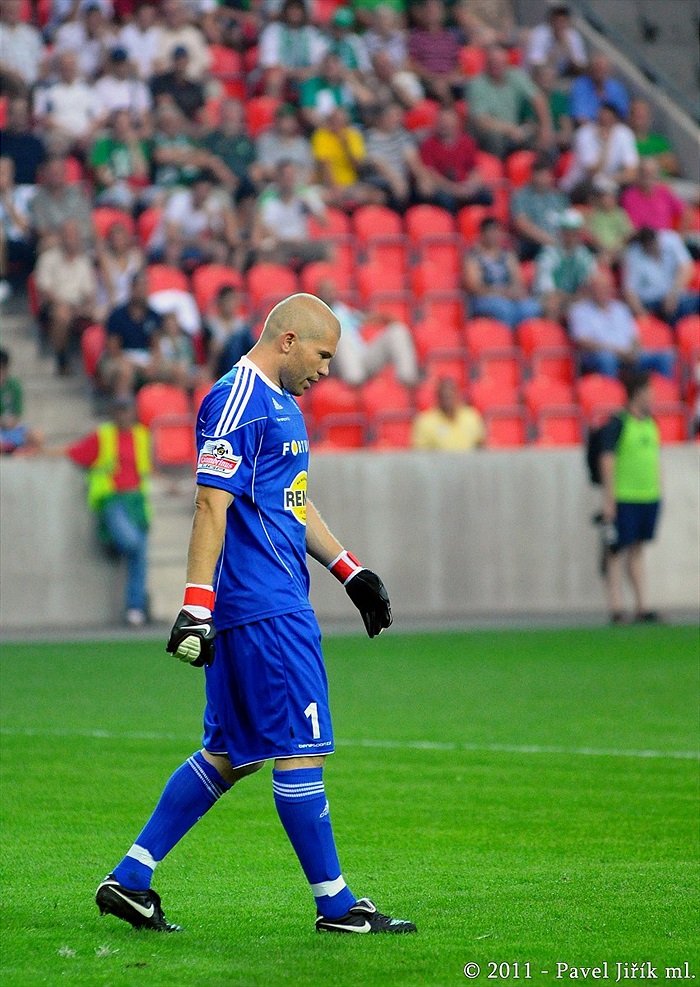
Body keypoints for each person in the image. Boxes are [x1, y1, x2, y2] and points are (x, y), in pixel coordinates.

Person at [94, 292, 416, 936]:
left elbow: (289, 500)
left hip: (259, 604)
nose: (326, 370)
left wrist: (349, 571)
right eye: (322, 354)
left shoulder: (282, 403)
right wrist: (195, 606)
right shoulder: (238, 398)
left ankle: (130, 879)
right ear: (288, 340)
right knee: (302, 749)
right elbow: (209, 504)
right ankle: (337, 906)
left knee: (230, 753)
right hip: (267, 608)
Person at [57, 395, 152, 627]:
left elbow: (146, 467)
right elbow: (76, 453)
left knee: (139, 554)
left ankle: (135, 607)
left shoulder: (141, 435)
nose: (123, 415)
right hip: (112, 497)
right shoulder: (104, 435)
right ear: (114, 413)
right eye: (119, 410)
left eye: (127, 410)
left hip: (137, 500)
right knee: (132, 543)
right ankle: (111, 542)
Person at [598, 369, 663, 624]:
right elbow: (607, 460)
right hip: (624, 497)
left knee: (637, 550)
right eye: (650, 391)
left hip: (648, 496)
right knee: (615, 550)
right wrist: (609, 499)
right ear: (638, 393)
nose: (654, 396)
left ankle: (641, 605)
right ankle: (616, 606)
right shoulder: (618, 423)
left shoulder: (650, 423)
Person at [569, 269, 675, 379]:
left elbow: (634, 337)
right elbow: (582, 341)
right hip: (599, 354)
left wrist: (634, 351)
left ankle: (664, 389)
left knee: (664, 357)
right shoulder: (579, 310)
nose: (604, 291)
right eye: (599, 287)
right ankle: (610, 390)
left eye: (607, 287)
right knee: (607, 359)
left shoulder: (621, 308)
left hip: (627, 353)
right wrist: (617, 351)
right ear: (591, 289)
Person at [316, 277, 419, 387]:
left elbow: (362, 319)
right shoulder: (316, 315)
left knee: (397, 331)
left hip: (361, 356)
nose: (329, 293)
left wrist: (385, 317)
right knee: (340, 335)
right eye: (325, 290)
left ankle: (407, 380)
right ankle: (354, 384)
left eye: (331, 290)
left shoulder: (341, 309)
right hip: (338, 363)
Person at [467, 44, 554, 159]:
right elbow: (481, 121)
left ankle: (542, 168)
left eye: (499, 63)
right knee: (494, 140)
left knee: (543, 141)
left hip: (514, 132)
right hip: (488, 133)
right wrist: (510, 129)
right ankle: (496, 169)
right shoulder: (476, 84)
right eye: (492, 62)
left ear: (506, 63)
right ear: (486, 63)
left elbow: (538, 99)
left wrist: (545, 128)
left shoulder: (516, 76)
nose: (496, 66)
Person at [34, 219, 97, 374]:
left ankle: (97, 363)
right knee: (62, 315)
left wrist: (87, 306)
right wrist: (64, 305)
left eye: (74, 234)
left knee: (103, 314)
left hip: (78, 305)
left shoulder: (84, 261)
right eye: (67, 234)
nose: (71, 238)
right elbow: (44, 289)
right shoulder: (48, 258)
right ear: (60, 237)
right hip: (54, 304)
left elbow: (89, 291)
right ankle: (61, 358)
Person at [464, 217, 542, 328]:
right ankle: (507, 337)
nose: (494, 235)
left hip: (508, 295)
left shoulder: (508, 255)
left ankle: (529, 336)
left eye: (496, 231)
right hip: (485, 297)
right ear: (483, 234)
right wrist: (501, 293)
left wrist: (515, 291)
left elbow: (518, 280)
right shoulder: (473, 256)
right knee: (504, 309)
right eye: (491, 232)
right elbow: (474, 286)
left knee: (531, 307)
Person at [252, 160, 329, 268]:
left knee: (327, 249)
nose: (289, 179)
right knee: (269, 253)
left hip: (302, 243)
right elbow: (263, 228)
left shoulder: (305, 193)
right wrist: (285, 240)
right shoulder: (268, 197)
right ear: (278, 177)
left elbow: (324, 222)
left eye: (292, 175)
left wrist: (310, 207)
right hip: (279, 244)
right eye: (285, 176)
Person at [560, 101, 639, 205]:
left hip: (609, 184)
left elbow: (631, 173)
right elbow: (593, 171)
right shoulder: (584, 133)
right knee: (598, 189)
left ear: (615, 120)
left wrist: (609, 180)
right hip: (579, 186)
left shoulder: (624, 134)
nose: (604, 124)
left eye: (608, 120)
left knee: (631, 189)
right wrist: (605, 144)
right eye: (601, 120)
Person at [100, 269, 161, 396]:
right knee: (125, 371)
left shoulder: (153, 315)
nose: (142, 290)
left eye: (145, 286)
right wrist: (137, 365)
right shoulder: (117, 315)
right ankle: (123, 406)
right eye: (139, 286)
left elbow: (156, 346)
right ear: (131, 289)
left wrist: (154, 363)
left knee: (178, 370)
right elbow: (113, 350)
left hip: (145, 357)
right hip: (119, 357)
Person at [623, 226, 699, 325]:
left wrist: (673, 295)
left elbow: (687, 268)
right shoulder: (633, 254)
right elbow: (630, 291)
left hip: (677, 296)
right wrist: (643, 316)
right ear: (644, 246)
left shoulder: (671, 239)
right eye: (649, 247)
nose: (653, 249)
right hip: (653, 303)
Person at [534, 208, 597, 320]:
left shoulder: (584, 255)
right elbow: (548, 291)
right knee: (552, 304)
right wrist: (571, 297)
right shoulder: (549, 254)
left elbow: (591, 283)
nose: (571, 237)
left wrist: (578, 296)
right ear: (561, 233)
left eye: (574, 233)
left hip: (575, 300)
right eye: (567, 232)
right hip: (548, 299)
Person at [511, 154, 569, 261]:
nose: (544, 178)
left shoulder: (558, 197)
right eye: (540, 175)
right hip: (535, 244)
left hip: (561, 242)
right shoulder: (521, 196)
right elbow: (522, 224)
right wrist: (551, 241)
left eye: (547, 175)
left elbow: (568, 220)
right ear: (533, 175)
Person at [30, 156, 94, 250]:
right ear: (45, 173)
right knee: (44, 244)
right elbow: (41, 230)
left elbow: (87, 225)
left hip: (80, 242)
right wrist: (65, 237)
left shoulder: (78, 193)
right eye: (52, 172)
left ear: (64, 172)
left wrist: (71, 236)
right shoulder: (38, 199)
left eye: (59, 171)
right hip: (55, 245)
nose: (56, 175)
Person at [406, 0, 462, 105]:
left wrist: (452, 76)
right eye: (429, 10)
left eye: (436, 10)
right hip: (427, 81)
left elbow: (458, 62)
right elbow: (412, 64)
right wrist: (434, 77)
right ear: (423, 12)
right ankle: (449, 110)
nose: (433, 13)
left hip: (450, 79)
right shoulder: (415, 37)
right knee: (439, 86)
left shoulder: (450, 37)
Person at [412, 375, 484, 451]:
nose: (448, 398)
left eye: (451, 394)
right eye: (444, 395)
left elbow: (481, 448)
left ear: (458, 394)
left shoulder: (471, 417)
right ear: (437, 396)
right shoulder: (425, 422)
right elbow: (420, 454)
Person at [621, 159, 686, 233]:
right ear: (638, 174)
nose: (647, 176)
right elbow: (628, 224)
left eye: (651, 173)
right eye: (643, 172)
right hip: (642, 236)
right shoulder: (629, 196)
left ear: (656, 174)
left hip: (664, 234)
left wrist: (680, 234)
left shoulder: (664, 192)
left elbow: (685, 213)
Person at [204, 284, 255, 377]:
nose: (231, 304)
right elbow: (213, 349)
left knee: (244, 337)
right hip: (221, 363)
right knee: (236, 340)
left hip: (240, 358)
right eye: (228, 300)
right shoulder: (211, 324)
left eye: (233, 300)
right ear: (220, 302)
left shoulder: (242, 324)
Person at [525, 2, 586, 78]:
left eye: (563, 22)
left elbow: (581, 67)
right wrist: (555, 53)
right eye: (557, 21)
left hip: (564, 75)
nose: (559, 25)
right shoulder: (540, 34)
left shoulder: (573, 36)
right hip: (539, 76)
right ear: (551, 21)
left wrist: (569, 50)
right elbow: (535, 65)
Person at [0, 348, 43, 455]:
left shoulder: (14, 385)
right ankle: (11, 449)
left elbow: (17, 414)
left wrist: (11, 422)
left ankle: (13, 448)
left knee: (37, 436)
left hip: (13, 428)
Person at [568, 52, 629, 124]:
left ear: (609, 71)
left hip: (612, 127)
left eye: (603, 69)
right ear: (590, 69)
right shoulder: (580, 85)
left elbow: (624, 115)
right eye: (597, 68)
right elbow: (579, 117)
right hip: (587, 126)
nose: (600, 72)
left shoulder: (617, 88)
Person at [586, 175, 634, 267]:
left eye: (609, 196)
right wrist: (604, 249)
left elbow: (628, 234)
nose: (606, 199)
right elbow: (591, 235)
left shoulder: (620, 214)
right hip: (600, 250)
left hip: (619, 251)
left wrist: (614, 249)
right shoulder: (594, 214)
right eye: (604, 196)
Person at [0, 96, 47, 187]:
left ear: (27, 115)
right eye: (14, 113)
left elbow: (41, 171)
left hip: (29, 188)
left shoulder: (35, 143)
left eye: (21, 113)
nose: (17, 117)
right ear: (8, 114)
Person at [150, 45, 206, 120]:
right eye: (178, 59)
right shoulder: (161, 81)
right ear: (173, 61)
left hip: (188, 122)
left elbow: (200, 107)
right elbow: (159, 100)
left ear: (187, 61)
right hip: (167, 120)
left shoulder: (194, 86)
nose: (180, 62)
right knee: (166, 109)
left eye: (183, 59)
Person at [628, 97, 680, 177]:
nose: (640, 118)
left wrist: (644, 161)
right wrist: (658, 160)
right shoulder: (625, 141)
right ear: (630, 117)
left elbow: (673, 167)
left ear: (649, 118)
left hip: (663, 182)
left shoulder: (659, 141)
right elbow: (629, 166)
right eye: (636, 114)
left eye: (643, 115)